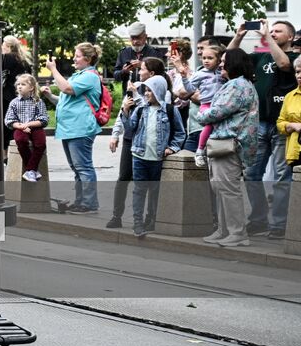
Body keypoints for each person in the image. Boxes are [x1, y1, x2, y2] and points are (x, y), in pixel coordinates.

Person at [228, 19, 295, 239]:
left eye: (278, 31)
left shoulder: (295, 58)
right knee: (251, 174)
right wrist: (239, 36)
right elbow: (230, 59)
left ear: (291, 37)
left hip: (282, 126)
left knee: (280, 178)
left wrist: (267, 38)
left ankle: (278, 225)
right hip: (259, 124)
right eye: (271, 30)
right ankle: (258, 219)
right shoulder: (260, 57)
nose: (273, 33)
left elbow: (284, 64)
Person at [195, 48, 263, 247]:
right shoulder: (239, 84)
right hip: (225, 143)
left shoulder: (237, 85)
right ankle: (224, 230)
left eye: (225, 61)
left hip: (229, 143)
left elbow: (217, 112)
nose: (221, 64)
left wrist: (201, 114)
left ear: (234, 63)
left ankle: (237, 233)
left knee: (228, 188)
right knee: (221, 187)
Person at [117, 56, 185, 238]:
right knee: (139, 190)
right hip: (139, 156)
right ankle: (138, 222)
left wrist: (173, 147)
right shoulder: (141, 109)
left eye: (150, 90)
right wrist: (125, 111)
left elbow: (180, 133)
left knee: (155, 191)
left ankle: (151, 219)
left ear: (159, 90)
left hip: (157, 158)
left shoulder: (170, 110)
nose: (146, 93)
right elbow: (130, 130)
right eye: (145, 90)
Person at [106, 22, 165, 230]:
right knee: (124, 176)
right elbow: (115, 77)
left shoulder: (155, 53)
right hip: (130, 113)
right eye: (132, 38)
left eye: (138, 38)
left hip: (149, 134)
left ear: (145, 37)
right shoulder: (124, 53)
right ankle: (116, 215)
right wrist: (124, 71)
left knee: (149, 182)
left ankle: (150, 218)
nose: (135, 42)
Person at [43, 42, 104, 214]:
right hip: (70, 128)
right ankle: (81, 202)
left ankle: (90, 204)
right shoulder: (79, 75)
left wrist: (53, 70)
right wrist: (50, 96)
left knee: (84, 167)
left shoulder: (90, 76)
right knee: (77, 169)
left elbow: (67, 89)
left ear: (88, 58)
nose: (74, 59)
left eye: (77, 56)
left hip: (81, 128)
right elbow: (64, 100)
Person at [5, 73, 48, 181]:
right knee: (21, 140)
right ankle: (32, 170)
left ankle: (30, 170)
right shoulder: (14, 102)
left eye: (23, 84)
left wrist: (28, 124)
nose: (19, 86)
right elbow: (9, 120)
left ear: (31, 87)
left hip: (35, 127)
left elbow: (43, 119)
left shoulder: (38, 102)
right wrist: (20, 126)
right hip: (20, 128)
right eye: (18, 84)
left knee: (41, 144)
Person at [1, 37, 34, 161]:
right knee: (20, 125)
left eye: (3, 44)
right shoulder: (24, 60)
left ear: (8, 46)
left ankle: (5, 155)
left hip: (7, 97)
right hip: (23, 97)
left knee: (7, 125)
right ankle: (20, 152)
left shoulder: (7, 58)